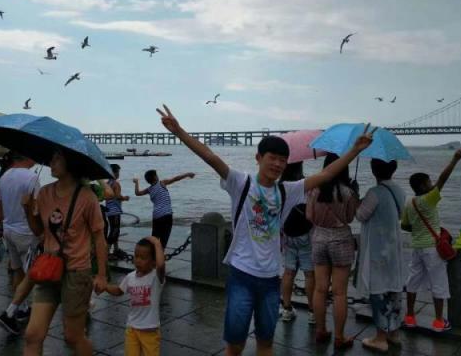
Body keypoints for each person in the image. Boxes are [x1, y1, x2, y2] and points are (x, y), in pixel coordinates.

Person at [155, 104, 372, 356]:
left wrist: (354, 150)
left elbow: (326, 175)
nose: (278, 164)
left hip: (270, 280)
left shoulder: (287, 191)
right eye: (272, 158)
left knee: (266, 343)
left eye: (282, 160)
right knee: (235, 345)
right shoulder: (240, 182)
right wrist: (179, 131)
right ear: (258, 158)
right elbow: (210, 157)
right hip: (241, 275)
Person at [22, 148, 108, 356]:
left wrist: (101, 275)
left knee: (73, 336)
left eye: (57, 159)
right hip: (49, 268)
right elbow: (39, 231)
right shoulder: (44, 193)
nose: (51, 163)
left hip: (76, 273)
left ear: (70, 164)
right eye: (51, 159)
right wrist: (27, 209)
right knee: (32, 335)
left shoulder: (87, 197)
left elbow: (99, 238)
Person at [402, 149, 461, 332]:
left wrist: (418, 228)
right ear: (422, 186)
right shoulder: (429, 199)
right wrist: (455, 159)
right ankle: (438, 322)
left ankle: (410, 318)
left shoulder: (409, 202)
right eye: (429, 182)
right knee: (439, 284)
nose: (432, 184)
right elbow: (443, 179)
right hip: (432, 249)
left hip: (417, 248)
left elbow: (405, 226)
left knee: (412, 283)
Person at [306, 152, 359, 349]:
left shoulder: (314, 190)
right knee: (339, 293)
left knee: (320, 289)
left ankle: (320, 331)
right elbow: (351, 217)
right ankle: (339, 337)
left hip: (319, 238)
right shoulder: (348, 192)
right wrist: (355, 193)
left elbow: (309, 216)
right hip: (341, 239)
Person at [356, 159, 406, 353]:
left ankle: (380, 338)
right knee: (394, 289)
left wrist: (356, 199)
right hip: (394, 248)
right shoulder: (399, 191)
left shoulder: (374, 193)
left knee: (378, 292)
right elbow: (399, 215)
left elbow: (360, 215)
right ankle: (394, 333)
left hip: (378, 249)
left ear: (373, 170)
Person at [0, 152, 41, 334]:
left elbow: (0, 207)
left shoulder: (4, 176)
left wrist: (1, 227)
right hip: (26, 233)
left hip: (8, 230)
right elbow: (36, 208)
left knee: (17, 271)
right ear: (25, 156)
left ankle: (22, 309)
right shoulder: (32, 177)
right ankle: (11, 312)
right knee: (32, 275)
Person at [103, 236, 165, 356]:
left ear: (153, 262)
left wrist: (157, 243)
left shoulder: (155, 278)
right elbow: (119, 290)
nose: (138, 260)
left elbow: (161, 265)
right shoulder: (130, 277)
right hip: (132, 328)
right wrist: (105, 286)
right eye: (136, 256)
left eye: (143, 258)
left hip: (150, 330)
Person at [278, 161, 315, 325]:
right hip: (306, 235)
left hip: (287, 235)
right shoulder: (305, 185)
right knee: (309, 273)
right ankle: (313, 312)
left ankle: (286, 309)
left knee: (288, 272)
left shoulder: (280, 187)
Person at [133, 169, 195, 249]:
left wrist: (136, 182)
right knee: (163, 240)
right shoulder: (161, 183)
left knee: (155, 239)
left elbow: (137, 193)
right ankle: (160, 255)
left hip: (156, 216)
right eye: (156, 175)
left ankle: (154, 254)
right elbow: (176, 178)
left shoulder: (149, 189)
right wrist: (187, 174)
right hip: (166, 215)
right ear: (155, 177)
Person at [106, 164, 130, 258]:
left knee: (114, 230)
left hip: (109, 210)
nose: (119, 174)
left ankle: (116, 249)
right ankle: (107, 252)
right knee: (114, 231)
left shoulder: (107, 183)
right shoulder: (116, 184)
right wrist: (125, 198)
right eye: (118, 172)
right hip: (115, 211)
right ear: (114, 173)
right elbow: (117, 197)